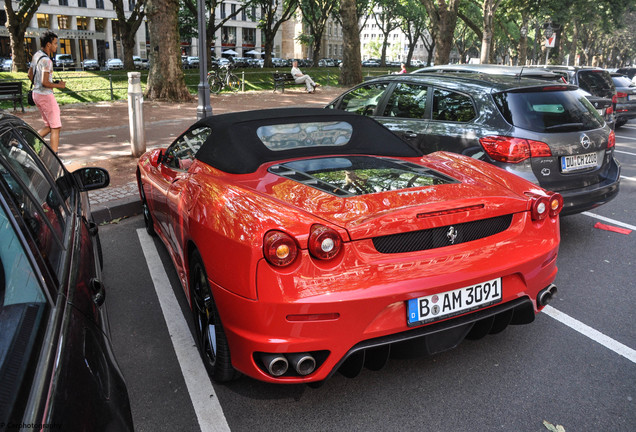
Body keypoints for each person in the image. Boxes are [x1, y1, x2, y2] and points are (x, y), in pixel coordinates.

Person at [28, 30, 66, 154]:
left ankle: (29, 144)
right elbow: (45, 83)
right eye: (55, 43)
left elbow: (30, 74)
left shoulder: (37, 55)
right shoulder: (47, 61)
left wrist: (38, 84)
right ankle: (54, 157)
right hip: (45, 96)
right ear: (48, 45)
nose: (56, 46)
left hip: (36, 94)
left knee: (49, 126)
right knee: (56, 127)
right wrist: (59, 85)